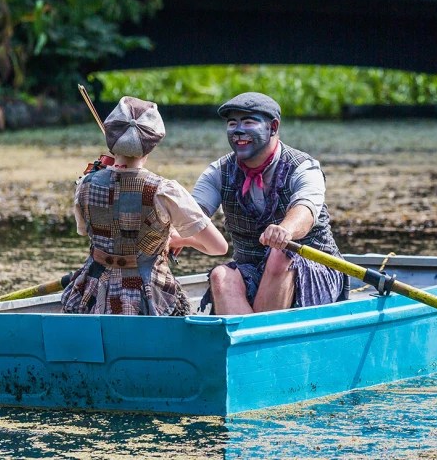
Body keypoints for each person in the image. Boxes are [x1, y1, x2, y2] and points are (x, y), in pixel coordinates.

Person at [61, 96, 228, 316]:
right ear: (152, 144)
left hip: (91, 296)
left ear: (111, 140)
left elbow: (84, 230)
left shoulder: (85, 183)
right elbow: (219, 247)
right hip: (148, 300)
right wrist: (181, 239)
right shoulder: (164, 191)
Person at [191, 92, 349, 314]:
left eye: (248, 122)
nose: (237, 130)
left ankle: (259, 338)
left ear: (273, 127)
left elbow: (306, 208)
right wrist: (171, 234)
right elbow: (192, 214)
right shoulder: (218, 171)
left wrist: (285, 230)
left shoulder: (304, 167)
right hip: (252, 270)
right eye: (232, 123)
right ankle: (247, 345)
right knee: (220, 275)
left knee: (279, 255)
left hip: (315, 270)